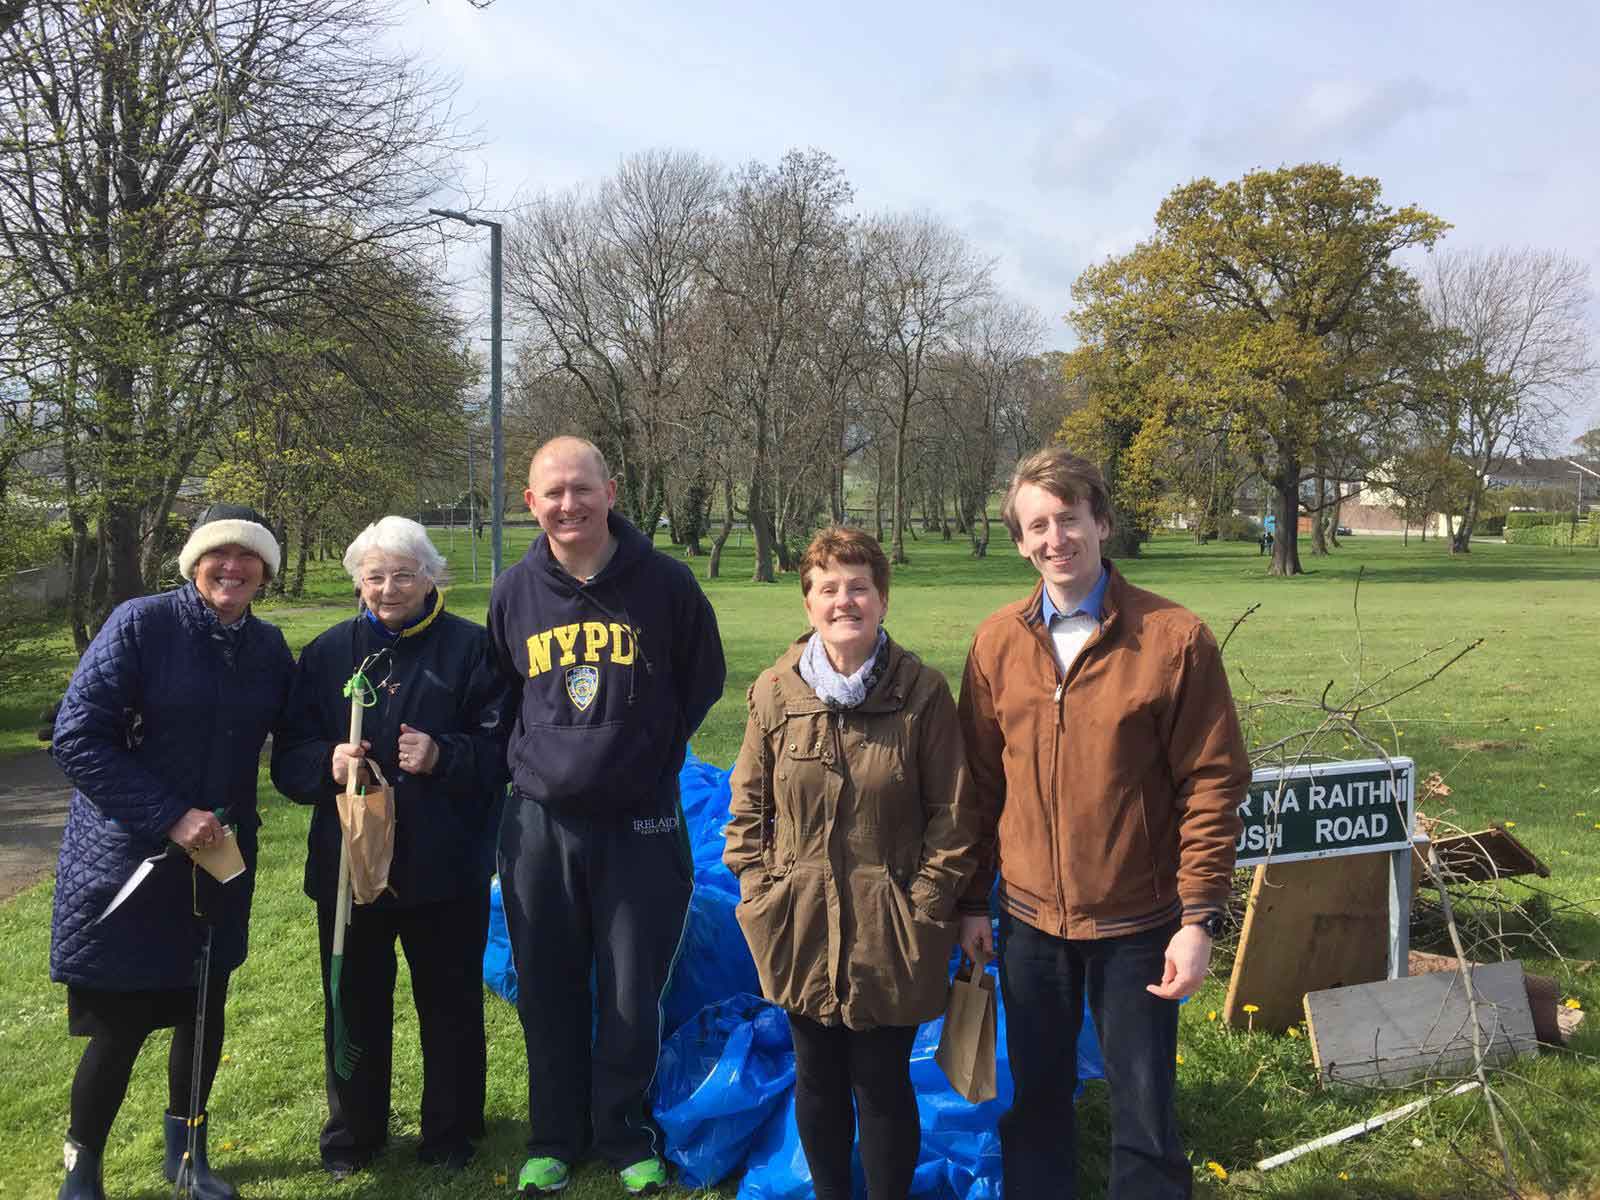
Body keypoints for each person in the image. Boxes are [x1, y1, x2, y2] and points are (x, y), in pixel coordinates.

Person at [956, 448, 1250, 1199]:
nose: (1056, 538)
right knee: (1035, 1108)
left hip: (1141, 922)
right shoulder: (996, 643)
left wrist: (1199, 918)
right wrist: (968, 902)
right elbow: (979, 786)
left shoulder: (1175, 639)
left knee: (1145, 1117)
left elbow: (1213, 783)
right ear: (1020, 542)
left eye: (1070, 519)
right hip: (1028, 921)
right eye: (1038, 525)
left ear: (1102, 523)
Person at [489, 436, 726, 1197]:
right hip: (539, 827)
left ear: (611, 491)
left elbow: (703, 679)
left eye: (581, 488)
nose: (568, 504)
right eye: (551, 492)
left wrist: (645, 753)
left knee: (631, 990)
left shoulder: (665, 584)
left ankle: (626, 1135)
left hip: (641, 822)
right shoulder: (513, 591)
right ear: (530, 502)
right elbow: (501, 698)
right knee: (549, 985)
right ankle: (553, 1137)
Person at [49, 503, 294, 1200]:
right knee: (121, 1023)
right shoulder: (141, 625)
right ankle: (83, 1168)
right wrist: (169, 816)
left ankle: (186, 1156)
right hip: (129, 862)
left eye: (249, 557)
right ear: (193, 563)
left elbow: (296, 735)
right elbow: (77, 739)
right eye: (219, 554)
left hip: (217, 866)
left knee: (201, 1005)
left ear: (265, 573)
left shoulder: (268, 648)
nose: (233, 566)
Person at [724, 527, 977, 1200]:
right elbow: (746, 812)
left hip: (892, 926)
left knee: (881, 1079)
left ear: (883, 599)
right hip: (798, 922)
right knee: (817, 1074)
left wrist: (924, 903)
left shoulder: (921, 693)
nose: (845, 601)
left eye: (859, 587)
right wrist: (761, 893)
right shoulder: (775, 694)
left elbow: (955, 815)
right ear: (807, 603)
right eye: (828, 588)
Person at [270, 516, 512, 1177]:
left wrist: (445, 754)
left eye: (404, 574)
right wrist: (327, 761)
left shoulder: (473, 650)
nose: (388, 588)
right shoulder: (325, 655)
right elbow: (287, 760)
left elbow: (505, 754)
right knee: (354, 1002)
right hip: (350, 870)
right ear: (357, 582)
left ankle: (452, 1131)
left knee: (450, 1005)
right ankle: (354, 1135)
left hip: (445, 866)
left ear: (432, 577)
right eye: (374, 576)